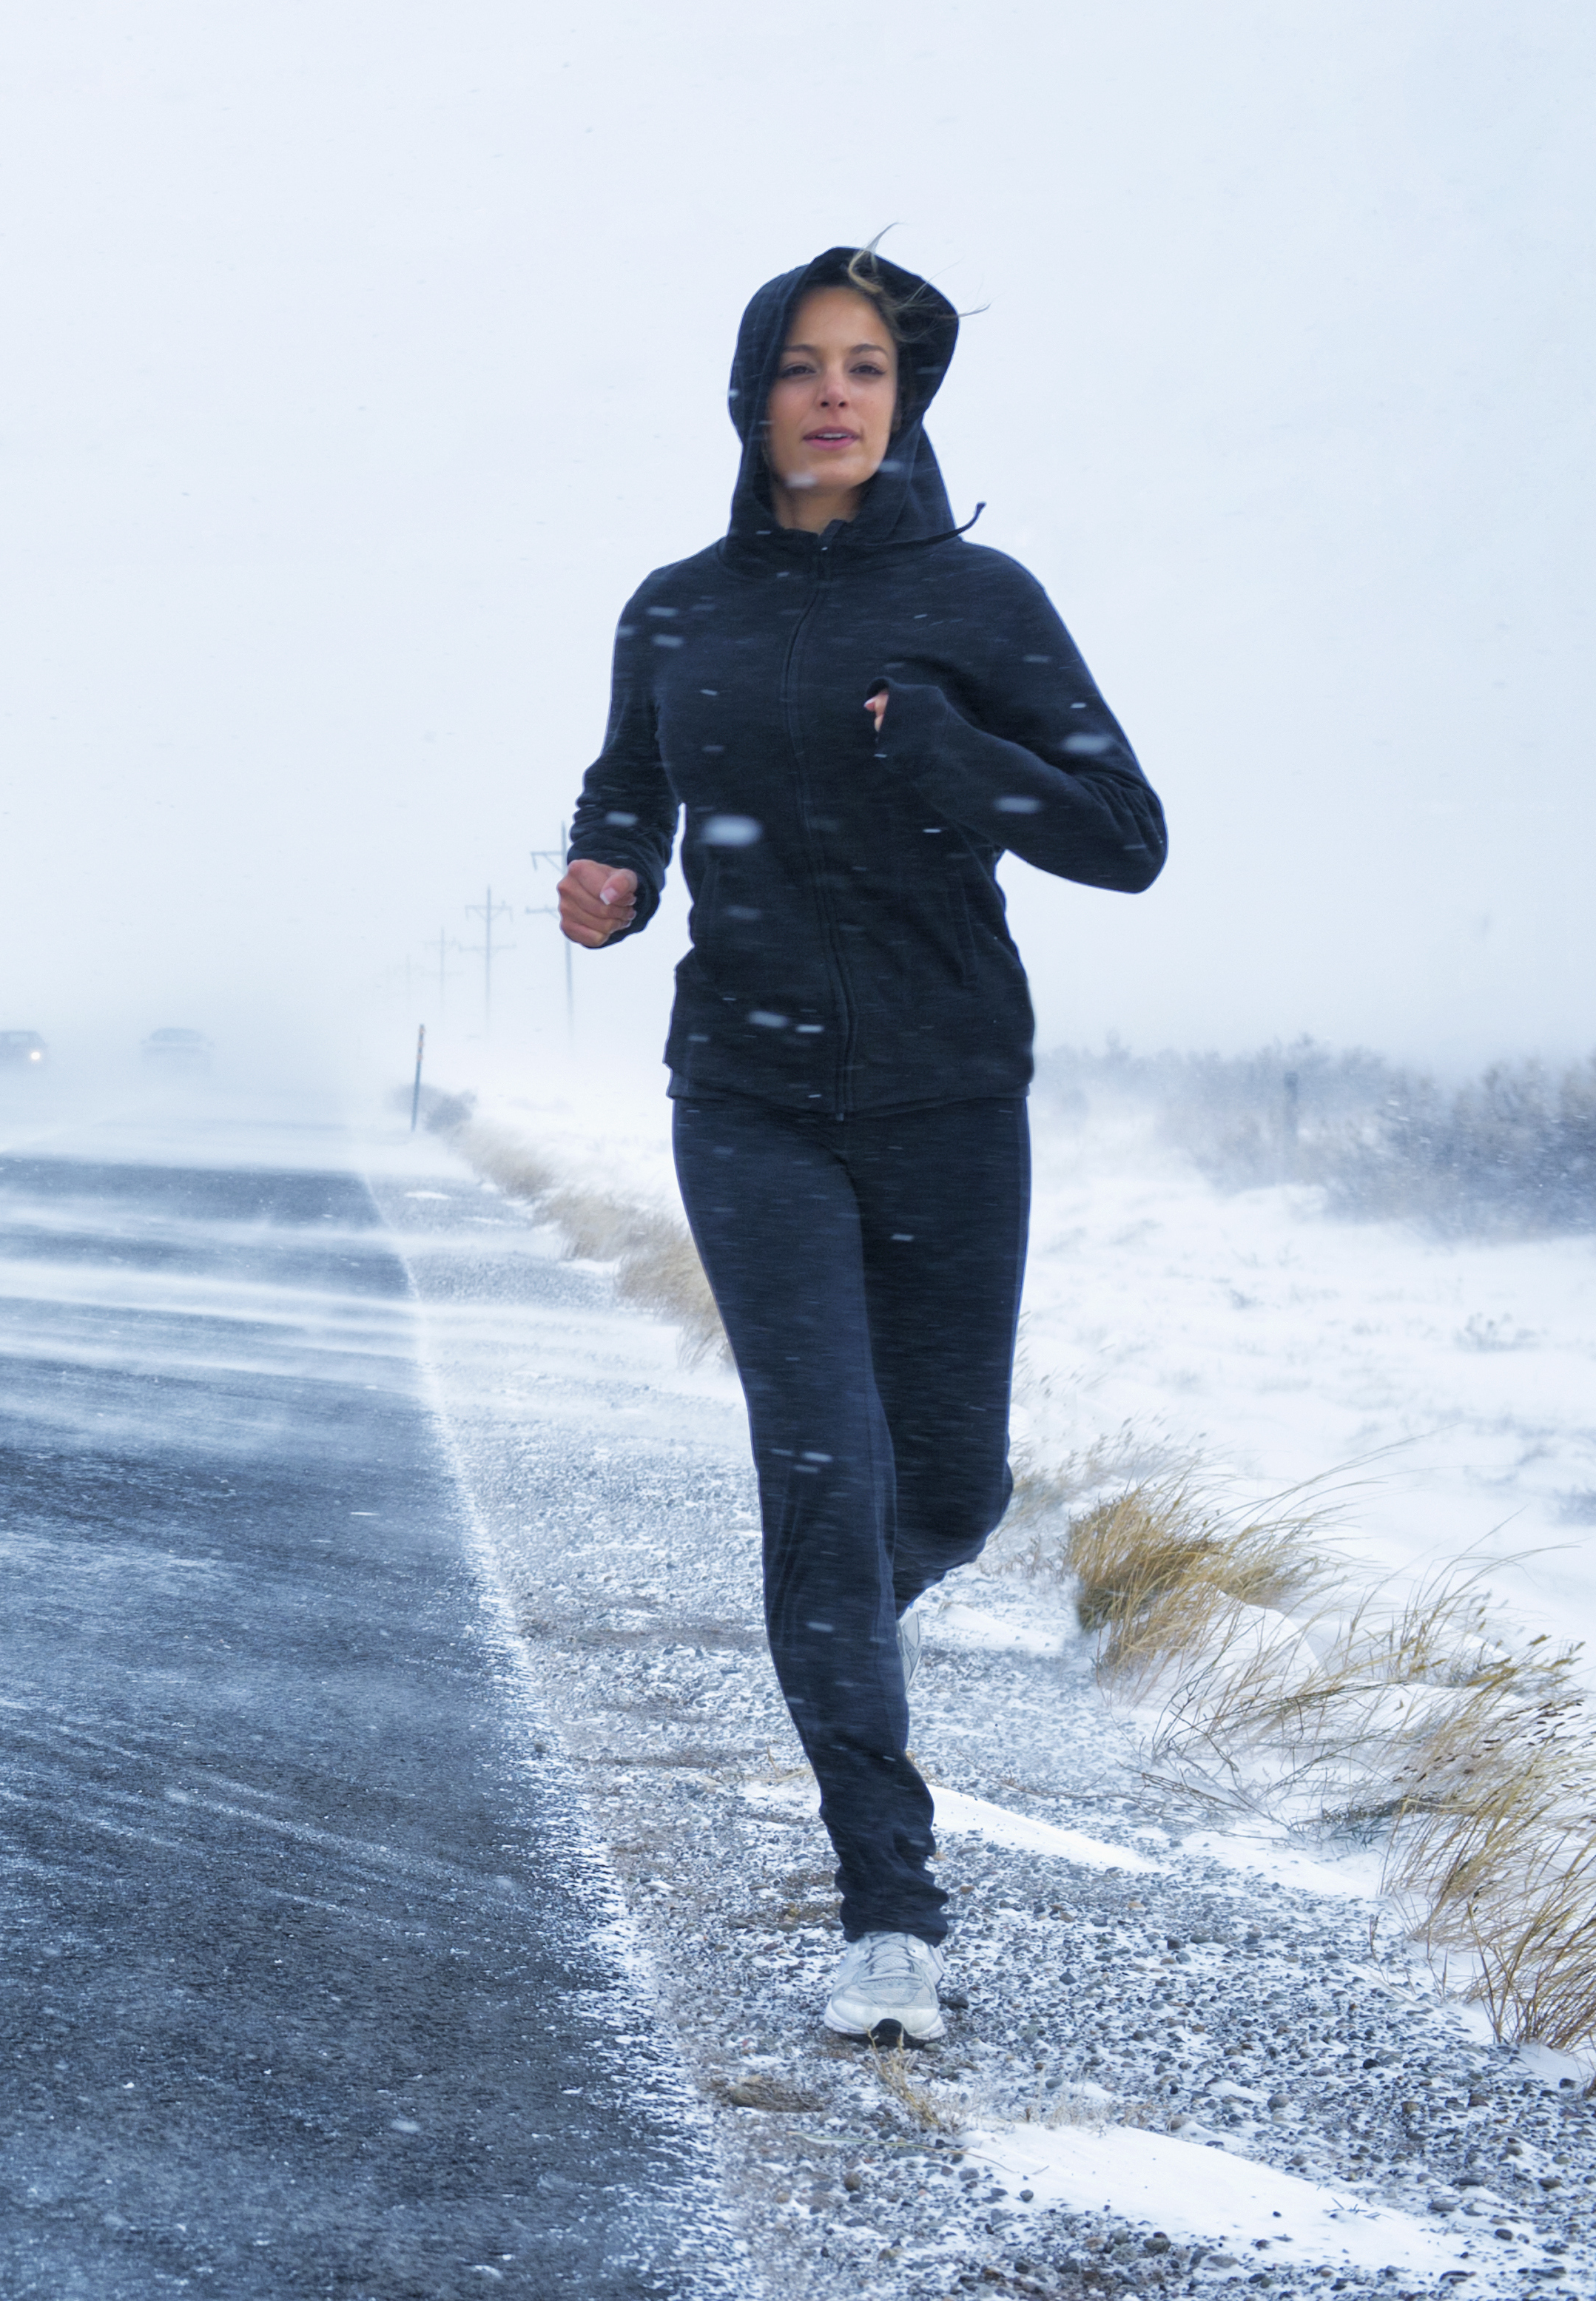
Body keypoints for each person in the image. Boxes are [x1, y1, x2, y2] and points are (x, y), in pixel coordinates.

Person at [553, 244, 1165, 2046]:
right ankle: (888, 1904)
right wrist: (609, 878)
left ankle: (834, 1630)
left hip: (951, 1095)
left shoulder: (980, 601)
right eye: (805, 365)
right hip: (745, 1096)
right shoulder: (675, 608)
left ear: (905, 403)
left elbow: (1126, 836)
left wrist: (960, 759)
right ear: (750, 396)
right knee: (826, 1474)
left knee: (948, 1492)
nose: (837, 393)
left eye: (871, 368)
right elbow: (622, 787)